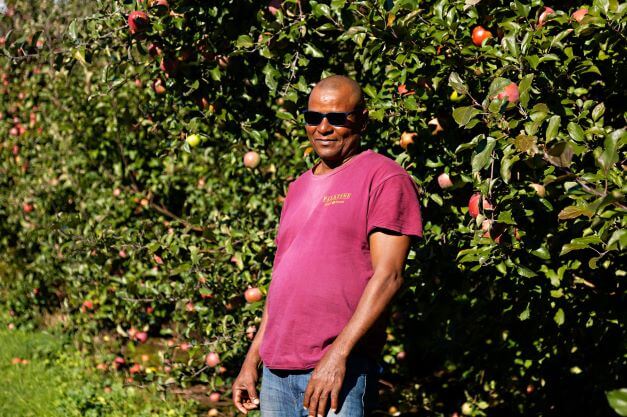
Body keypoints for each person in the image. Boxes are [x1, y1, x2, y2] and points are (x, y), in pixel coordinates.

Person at [232, 75, 423, 417]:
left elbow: (389, 276)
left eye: (337, 118)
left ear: (362, 120)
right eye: (313, 117)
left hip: (337, 371)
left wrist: (338, 355)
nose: (324, 127)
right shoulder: (297, 188)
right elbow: (281, 285)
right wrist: (252, 360)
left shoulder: (384, 178)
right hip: (276, 373)